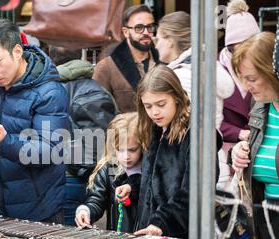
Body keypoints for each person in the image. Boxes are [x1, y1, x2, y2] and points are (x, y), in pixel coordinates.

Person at [0, 19, 69, 223]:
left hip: (41, 207)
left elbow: (50, 151)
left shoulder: (49, 92)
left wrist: (4, 143)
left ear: (17, 52)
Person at [153, 10, 234, 190]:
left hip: (192, 167)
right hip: (212, 159)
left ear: (170, 40)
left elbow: (184, 127)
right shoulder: (204, 66)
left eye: (158, 39)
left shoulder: (182, 76)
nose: (156, 45)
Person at [48, 46, 118, 225]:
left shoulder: (53, 91)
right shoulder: (99, 89)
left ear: (51, 59)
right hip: (97, 178)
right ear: (79, 57)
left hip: (67, 176)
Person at [231, 32, 279, 239]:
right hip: (265, 222)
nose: (247, 87)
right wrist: (240, 153)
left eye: (252, 78)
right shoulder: (261, 107)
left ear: (273, 72)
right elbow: (260, 157)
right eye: (243, 79)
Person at [75, 113, 142, 233]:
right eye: (120, 150)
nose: (126, 156)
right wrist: (86, 211)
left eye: (132, 150)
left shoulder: (152, 170)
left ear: (143, 146)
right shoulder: (108, 169)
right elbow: (96, 199)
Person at [218, 0, 260, 189]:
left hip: (260, 152)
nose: (240, 54)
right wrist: (239, 133)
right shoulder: (215, 71)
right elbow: (206, 118)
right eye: (234, 48)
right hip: (225, 155)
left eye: (247, 46)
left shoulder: (268, 69)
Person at [93, 4, 160, 113]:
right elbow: (98, 111)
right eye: (139, 28)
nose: (146, 32)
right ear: (126, 32)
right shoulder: (107, 67)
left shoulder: (164, 61)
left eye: (150, 27)